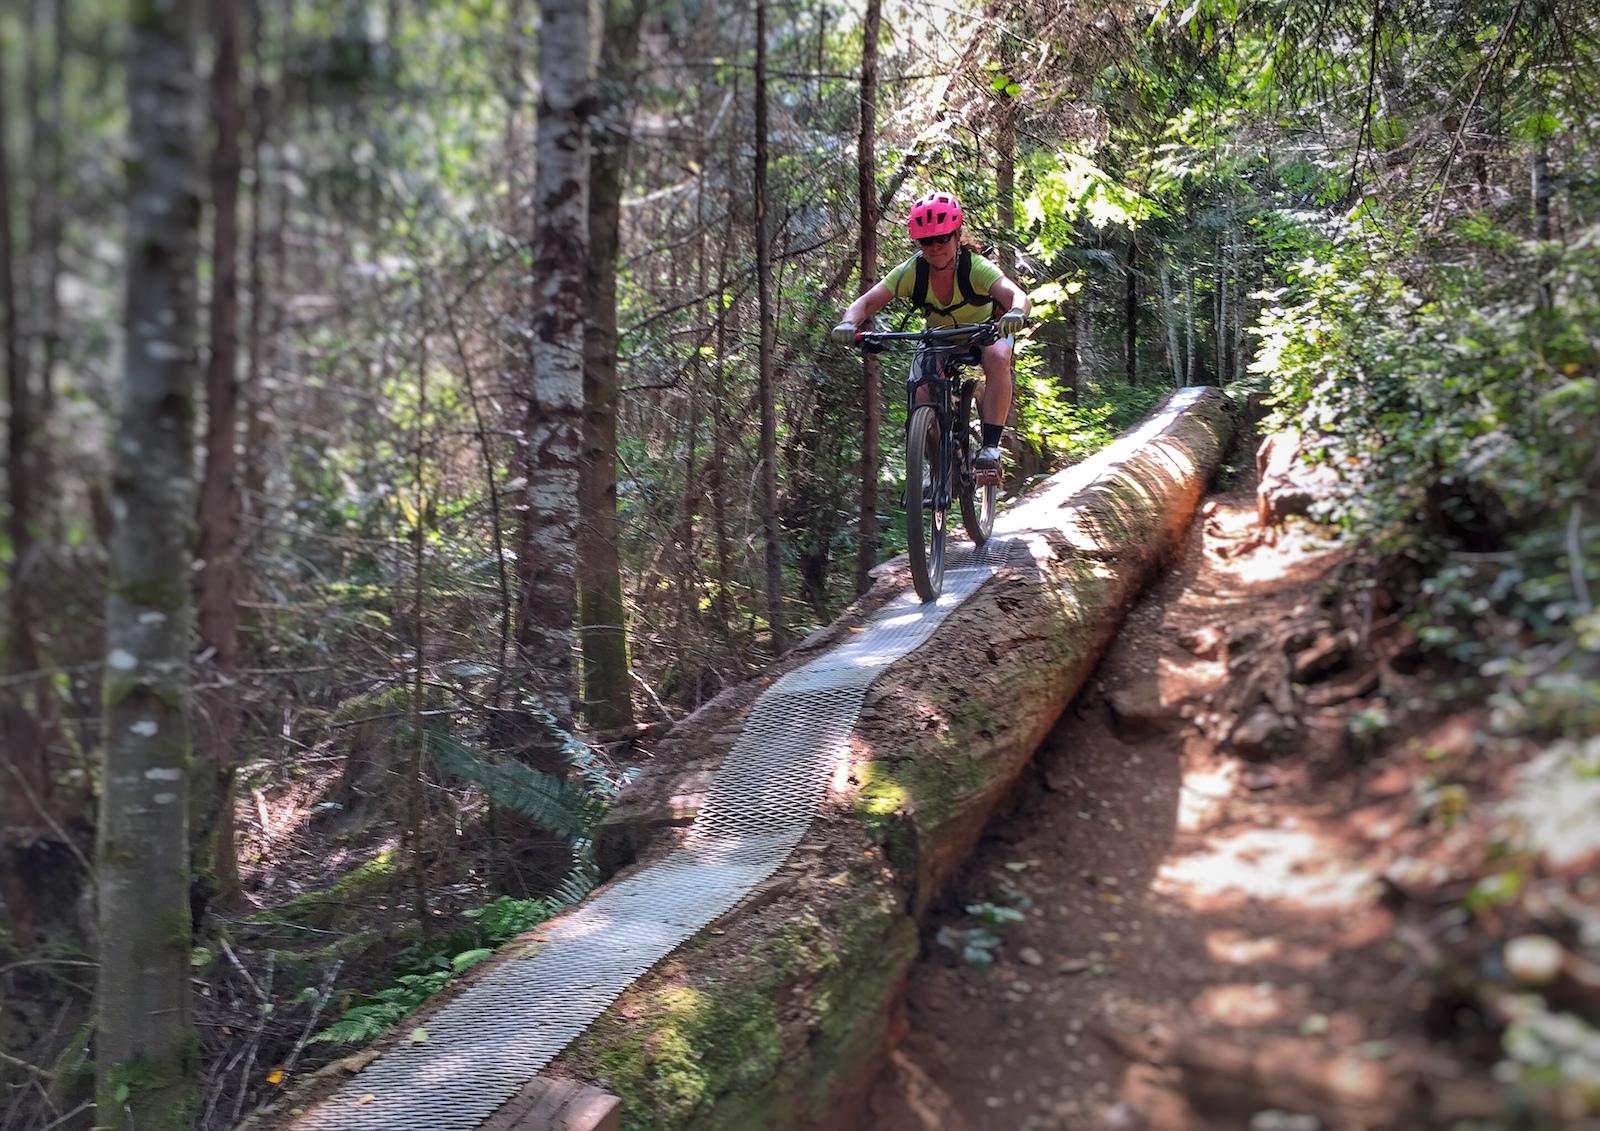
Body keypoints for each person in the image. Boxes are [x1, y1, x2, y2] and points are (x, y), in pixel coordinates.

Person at [832, 190, 1030, 473]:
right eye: (926, 241)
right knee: (920, 393)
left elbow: (1017, 296)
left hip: (985, 331)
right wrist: (849, 323)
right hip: (940, 339)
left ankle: (989, 448)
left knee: (998, 357)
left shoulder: (975, 267)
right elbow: (865, 303)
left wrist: (1016, 313)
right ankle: (936, 468)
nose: (935, 246)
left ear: (957, 235)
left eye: (942, 238)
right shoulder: (912, 272)